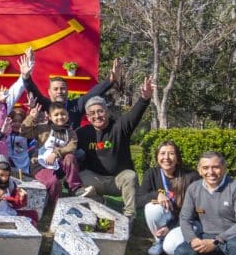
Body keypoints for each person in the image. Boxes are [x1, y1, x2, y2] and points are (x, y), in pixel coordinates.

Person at [75, 76, 154, 219]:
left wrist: (144, 98)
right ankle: (99, 202)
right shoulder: (82, 133)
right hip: (95, 179)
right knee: (77, 178)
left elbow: (133, 115)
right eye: (92, 113)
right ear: (87, 116)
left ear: (107, 111)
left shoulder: (119, 127)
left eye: (100, 111)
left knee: (130, 176)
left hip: (117, 180)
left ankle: (129, 216)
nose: (97, 116)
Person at [22, 48, 120, 129]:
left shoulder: (76, 105)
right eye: (56, 89)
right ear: (49, 92)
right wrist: (26, 78)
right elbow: (34, 92)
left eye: (62, 88)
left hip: (72, 150)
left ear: (67, 91)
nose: (60, 91)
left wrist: (110, 81)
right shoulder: (45, 105)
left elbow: (93, 93)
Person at [20, 102, 92, 207]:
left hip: (58, 164)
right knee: (54, 183)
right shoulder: (43, 128)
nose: (60, 117)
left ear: (67, 115)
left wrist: (55, 153)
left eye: (63, 114)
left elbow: (72, 146)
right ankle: (53, 204)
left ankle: (76, 188)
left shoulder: (70, 132)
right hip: (40, 165)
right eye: (56, 115)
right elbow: (23, 132)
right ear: (49, 116)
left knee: (70, 157)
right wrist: (31, 117)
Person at [138, 140, 199, 255]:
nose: (166, 157)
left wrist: (170, 227)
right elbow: (138, 200)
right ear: (157, 157)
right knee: (151, 207)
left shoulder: (191, 177)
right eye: (162, 153)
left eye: (171, 153)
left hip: (188, 221)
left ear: (177, 158)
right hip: (169, 216)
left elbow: (197, 212)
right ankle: (159, 240)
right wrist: (156, 195)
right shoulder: (152, 174)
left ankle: (194, 244)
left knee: (170, 248)